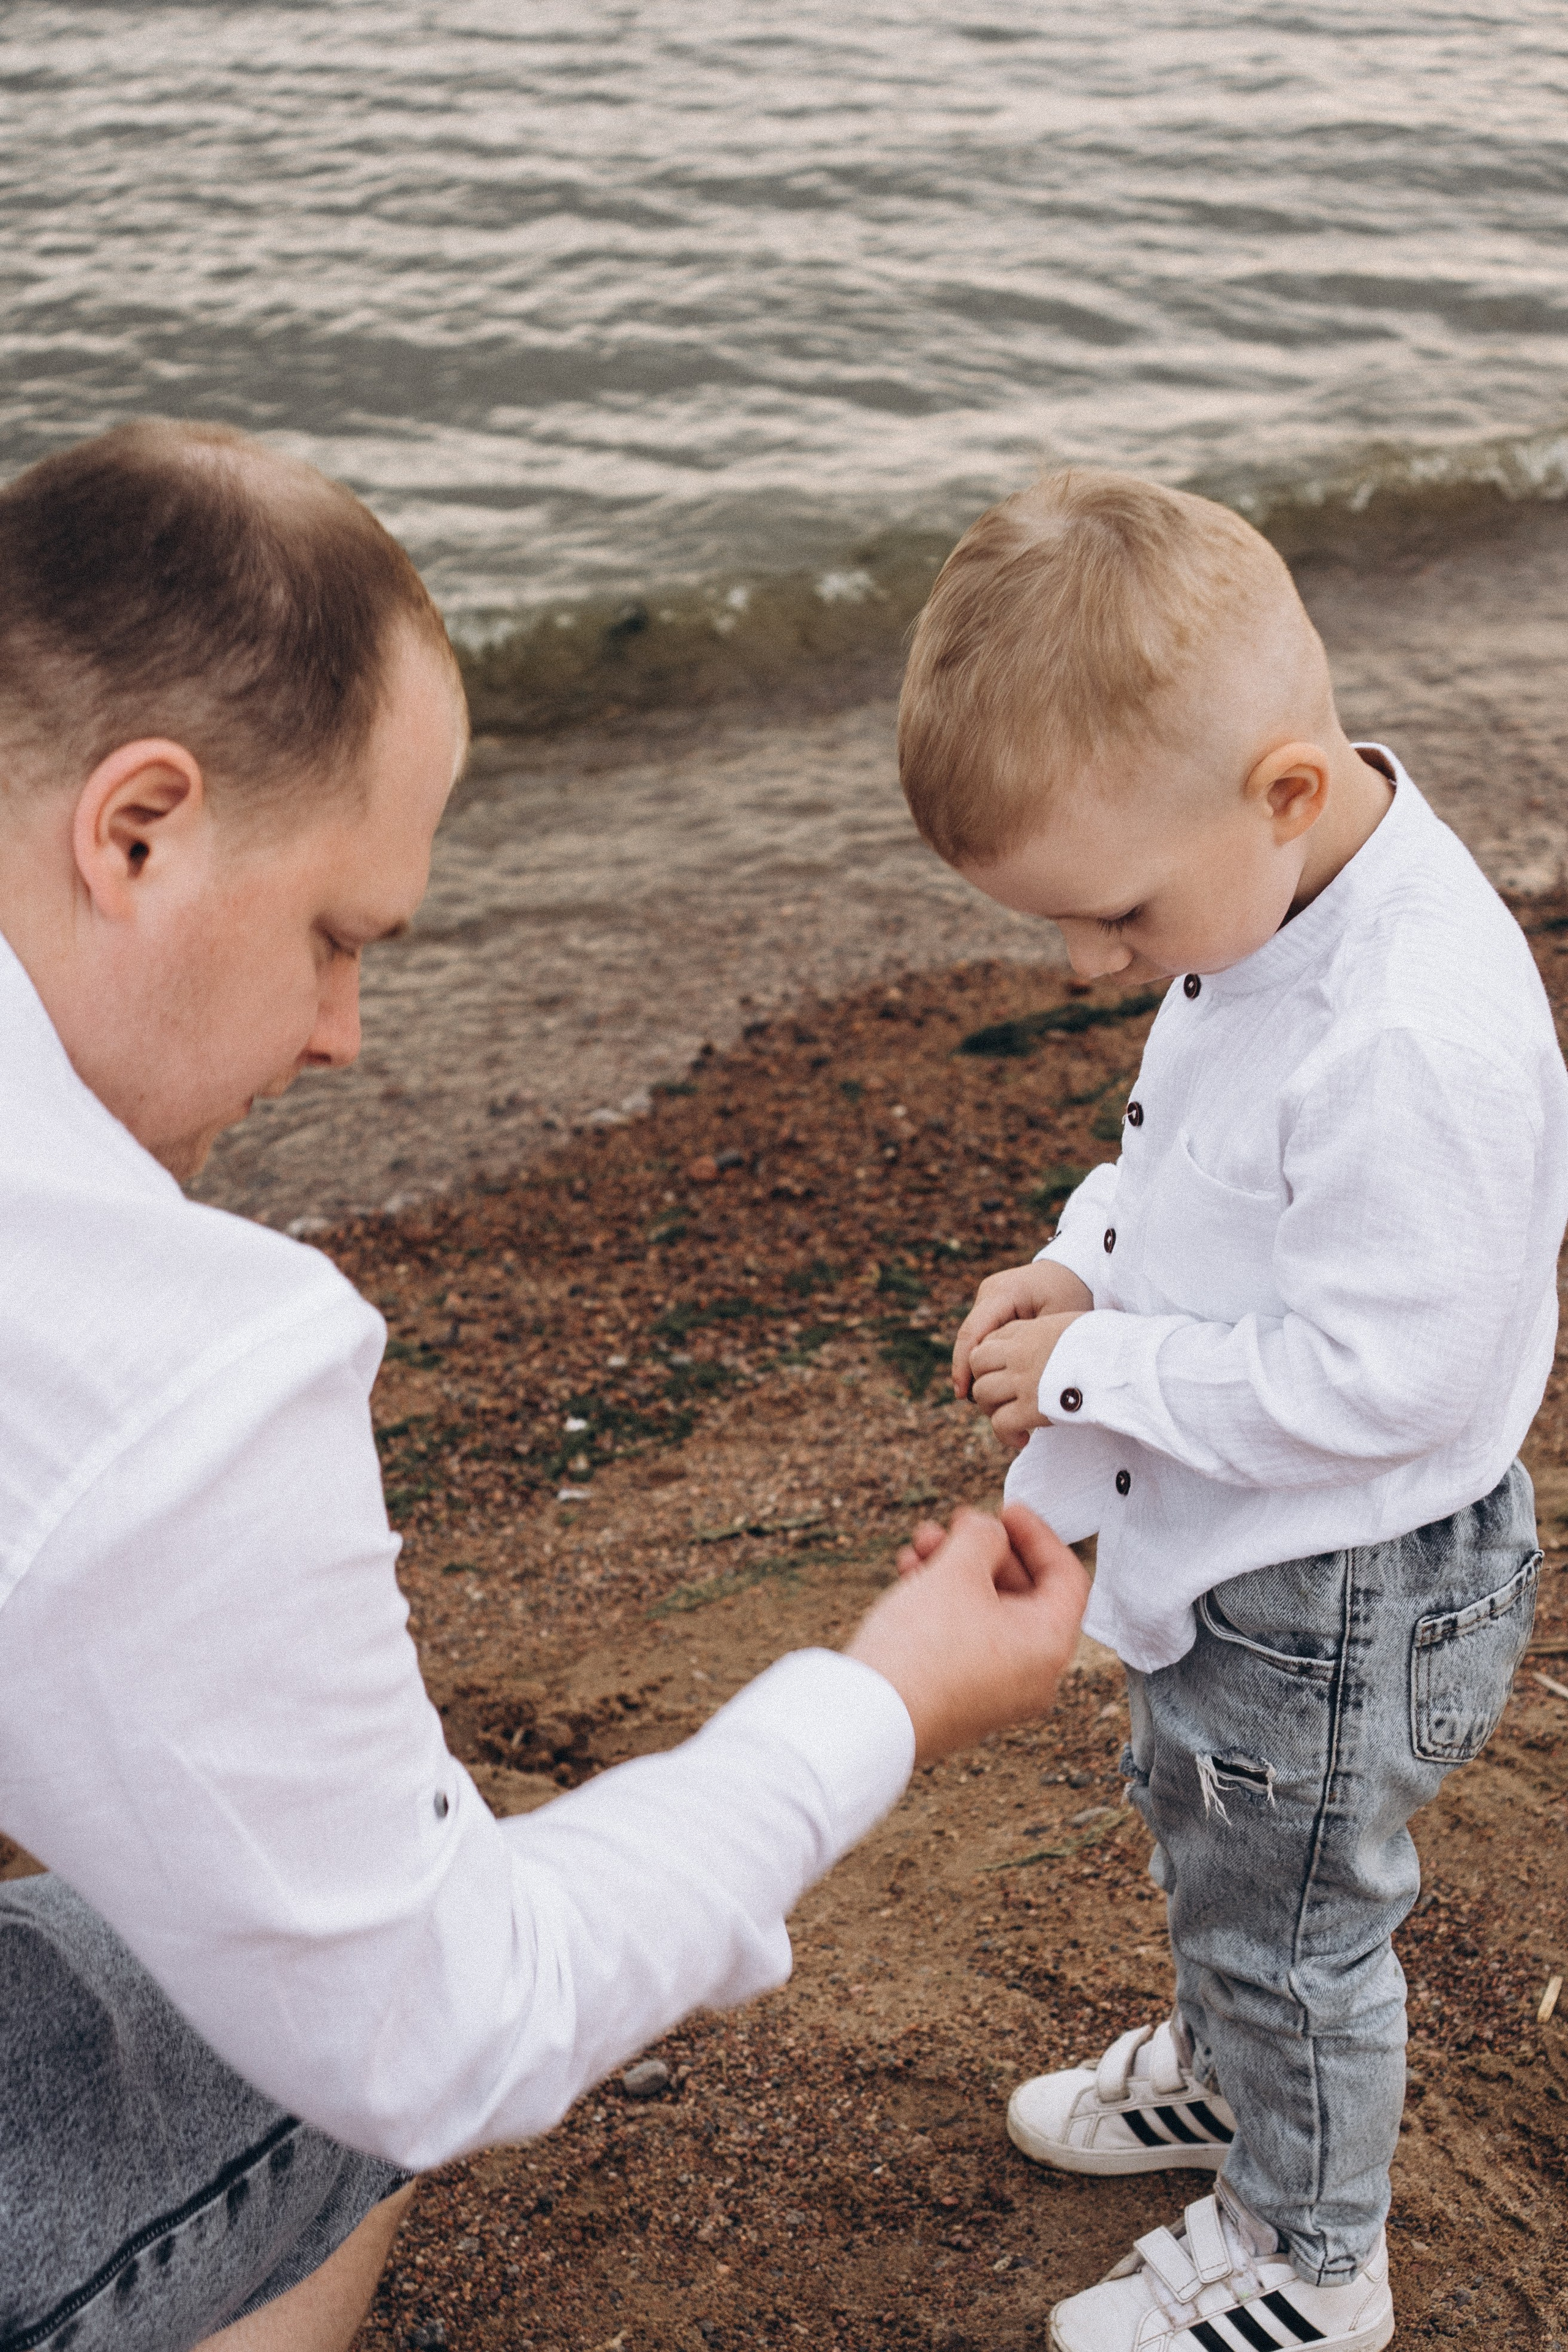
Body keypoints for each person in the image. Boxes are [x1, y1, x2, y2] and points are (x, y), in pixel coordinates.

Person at [0, 421, 1091, 2352]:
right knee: (308, 2056)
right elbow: (443, 2025)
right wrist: (884, 1699)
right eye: (337, 939)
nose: (342, 1036)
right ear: (138, 828)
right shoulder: (166, 1349)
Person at [894, 468, 1568, 2352]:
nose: (1086, 966)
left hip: (1347, 1589)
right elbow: (1191, 1165)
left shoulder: (1404, 1033)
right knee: (1219, 1848)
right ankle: (1226, 2068)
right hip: (1265, 1563)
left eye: (1111, 915)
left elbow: (1387, 1379)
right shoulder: (1263, 903)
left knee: (1294, 1930)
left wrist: (1100, 1372)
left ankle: (1308, 2258)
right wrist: (1086, 1270)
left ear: (1280, 790)